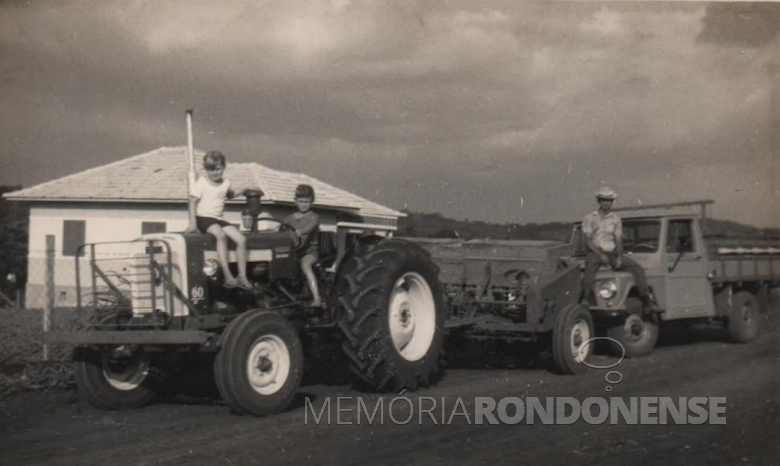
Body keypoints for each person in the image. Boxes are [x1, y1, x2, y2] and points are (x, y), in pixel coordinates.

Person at [581, 187, 659, 311]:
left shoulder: (616, 219)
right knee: (589, 272)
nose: (606, 203)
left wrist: (619, 257)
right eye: (603, 200)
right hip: (595, 252)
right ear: (599, 201)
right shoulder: (589, 218)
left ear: (612, 202)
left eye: (609, 200)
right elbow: (588, 241)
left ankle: (646, 301)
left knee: (638, 269)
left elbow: (618, 240)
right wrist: (600, 255)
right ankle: (588, 299)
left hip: (611, 252)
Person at [186, 151, 252, 290]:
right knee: (221, 236)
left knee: (241, 239)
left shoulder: (226, 183)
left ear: (223, 167)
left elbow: (231, 194)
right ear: (206, 170)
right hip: (203, 218)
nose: (214, 173)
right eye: (210, 170)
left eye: (217, 169)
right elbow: (192, 201)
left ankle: (242, 276)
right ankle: (228, 276)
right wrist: (192, 223)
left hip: (217, 219)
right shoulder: (202, 182)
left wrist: (245, 188)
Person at [284, 184, 322, 307]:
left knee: (305, 264)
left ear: (312, 202)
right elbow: (280, 227)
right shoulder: (289, 218)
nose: (304, 204)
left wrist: (301, 231)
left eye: (306, 201)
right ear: (295, 201)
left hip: (310, 252)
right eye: (301, 201)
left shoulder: (314, 217)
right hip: (294, 252)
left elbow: (309, 228)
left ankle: (317, 298)